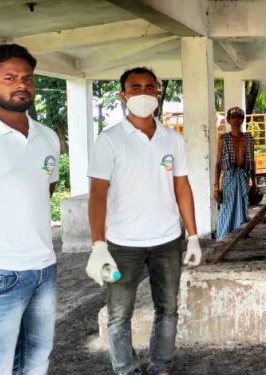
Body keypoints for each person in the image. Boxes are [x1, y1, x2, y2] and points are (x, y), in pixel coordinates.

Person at [86, 67, 202, 375]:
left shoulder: (171, 139)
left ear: (158, 93)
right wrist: (98, 244)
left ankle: (161, 366)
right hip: (122, 244)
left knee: (168, 309)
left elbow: (182, 187)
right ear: (123, 95)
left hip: (166, 240)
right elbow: (97, 195)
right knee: (119, 315)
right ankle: (126, 370)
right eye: (135, 87)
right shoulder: (109, 140)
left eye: (149, 87)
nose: (143, 93)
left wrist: (192, 235)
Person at [0, 44, 59, 374]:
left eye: (28, 78)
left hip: (44, 268)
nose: (22, 84)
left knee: (35, 361)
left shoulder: (47, 137)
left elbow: (45, 188)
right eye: (11, 77)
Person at [214, 107, 257, 239]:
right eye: (234, 117)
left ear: (242, 120)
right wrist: (216, 187)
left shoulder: (248, 138)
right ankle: (223, 239)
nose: (237, 120)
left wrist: (254, 183)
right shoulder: (223, 139)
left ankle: (240, 238)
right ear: (228, 120)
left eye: (239, 117)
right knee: (227, 209)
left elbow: (252, 161)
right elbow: (218, 164)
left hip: (243, 178)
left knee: (243, 209)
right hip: (229, 179)